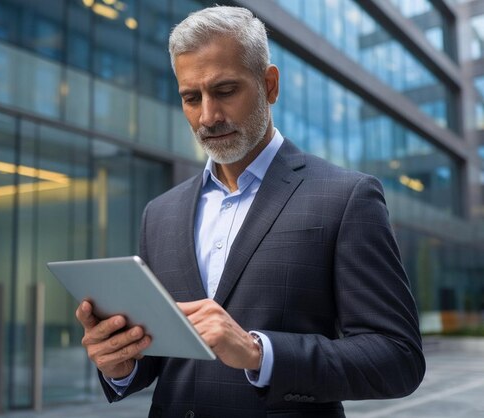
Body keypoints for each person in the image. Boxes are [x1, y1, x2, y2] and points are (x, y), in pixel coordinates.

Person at [75, 5, 425, 417]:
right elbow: (164, 353)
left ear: (269, 85)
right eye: (191, 97)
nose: (208, 116)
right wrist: (121, 363)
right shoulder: (160, 213)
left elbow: (398, 358)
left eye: (225, 91)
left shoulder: (347, 198)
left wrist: (261, 352)